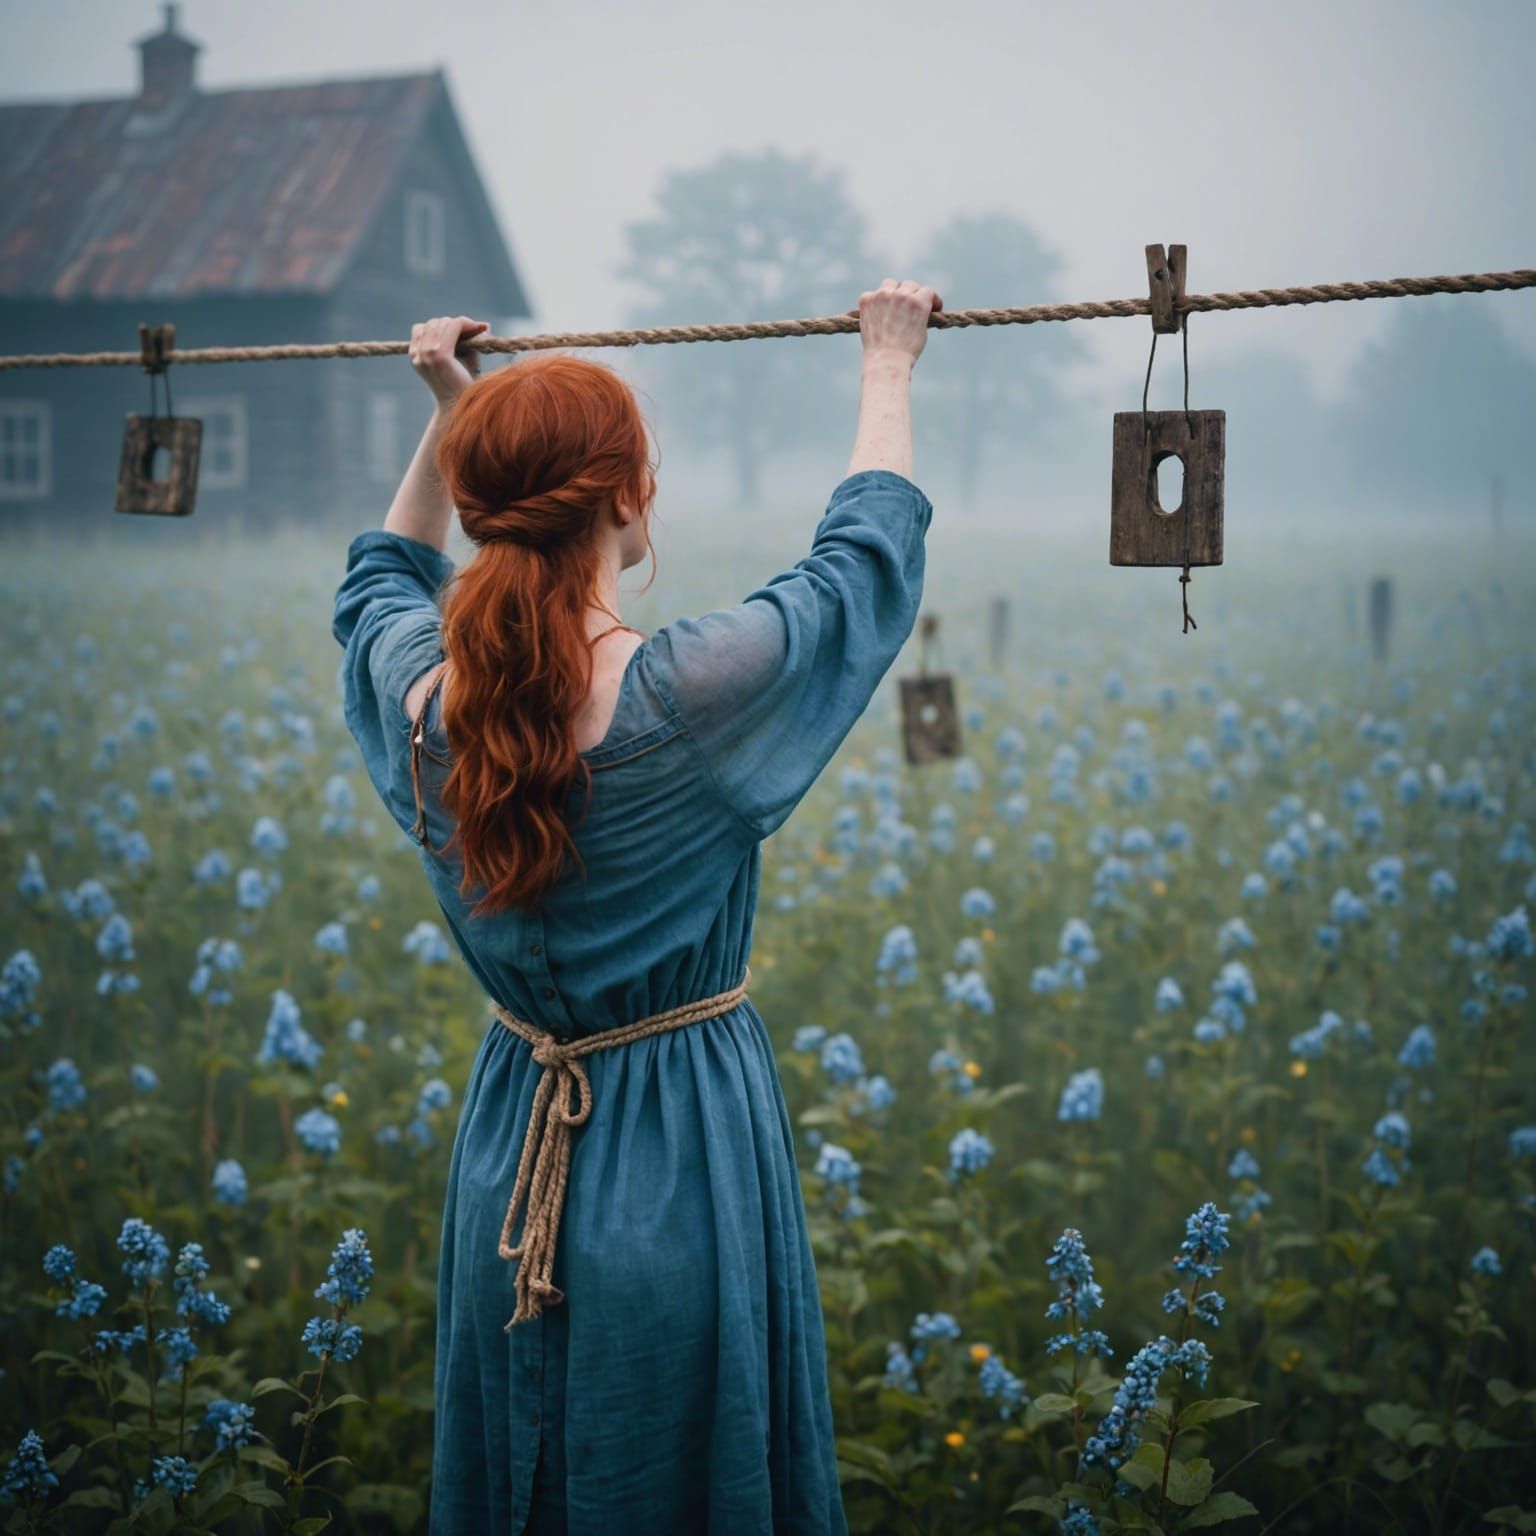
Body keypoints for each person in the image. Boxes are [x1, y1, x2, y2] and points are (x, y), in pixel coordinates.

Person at [332, 277, 941, 1534]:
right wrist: (889, 363)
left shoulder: (427, 712)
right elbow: (860, 569)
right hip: (685, 1151)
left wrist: (457, 418)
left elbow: (379, 589)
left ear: (487, 502)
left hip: (511, 1164)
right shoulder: (689, 705)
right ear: (627, 501)